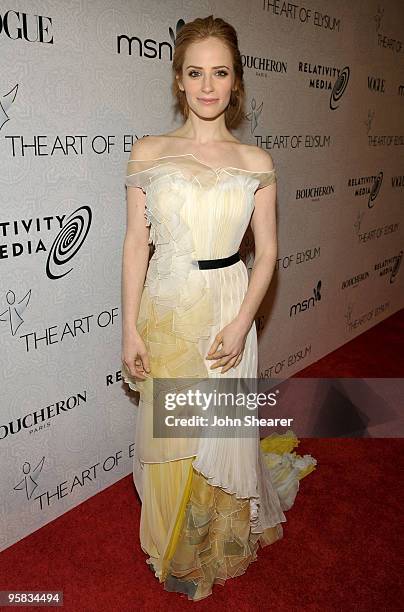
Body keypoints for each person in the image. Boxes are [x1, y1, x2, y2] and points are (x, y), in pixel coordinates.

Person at [121, 15, 317, 602]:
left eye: (221, 72)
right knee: (168, 434)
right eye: (196, 72)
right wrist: (128, 326)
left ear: (236, 83)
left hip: (228, 304)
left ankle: (203, 545)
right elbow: (136, 244)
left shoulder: (255, 162)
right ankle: (167, 542)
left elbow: (270, 250)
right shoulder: (148, 151)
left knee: (215, 431)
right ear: (179, 80)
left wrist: (241, 323)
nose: (208, 85)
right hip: (166, 305)